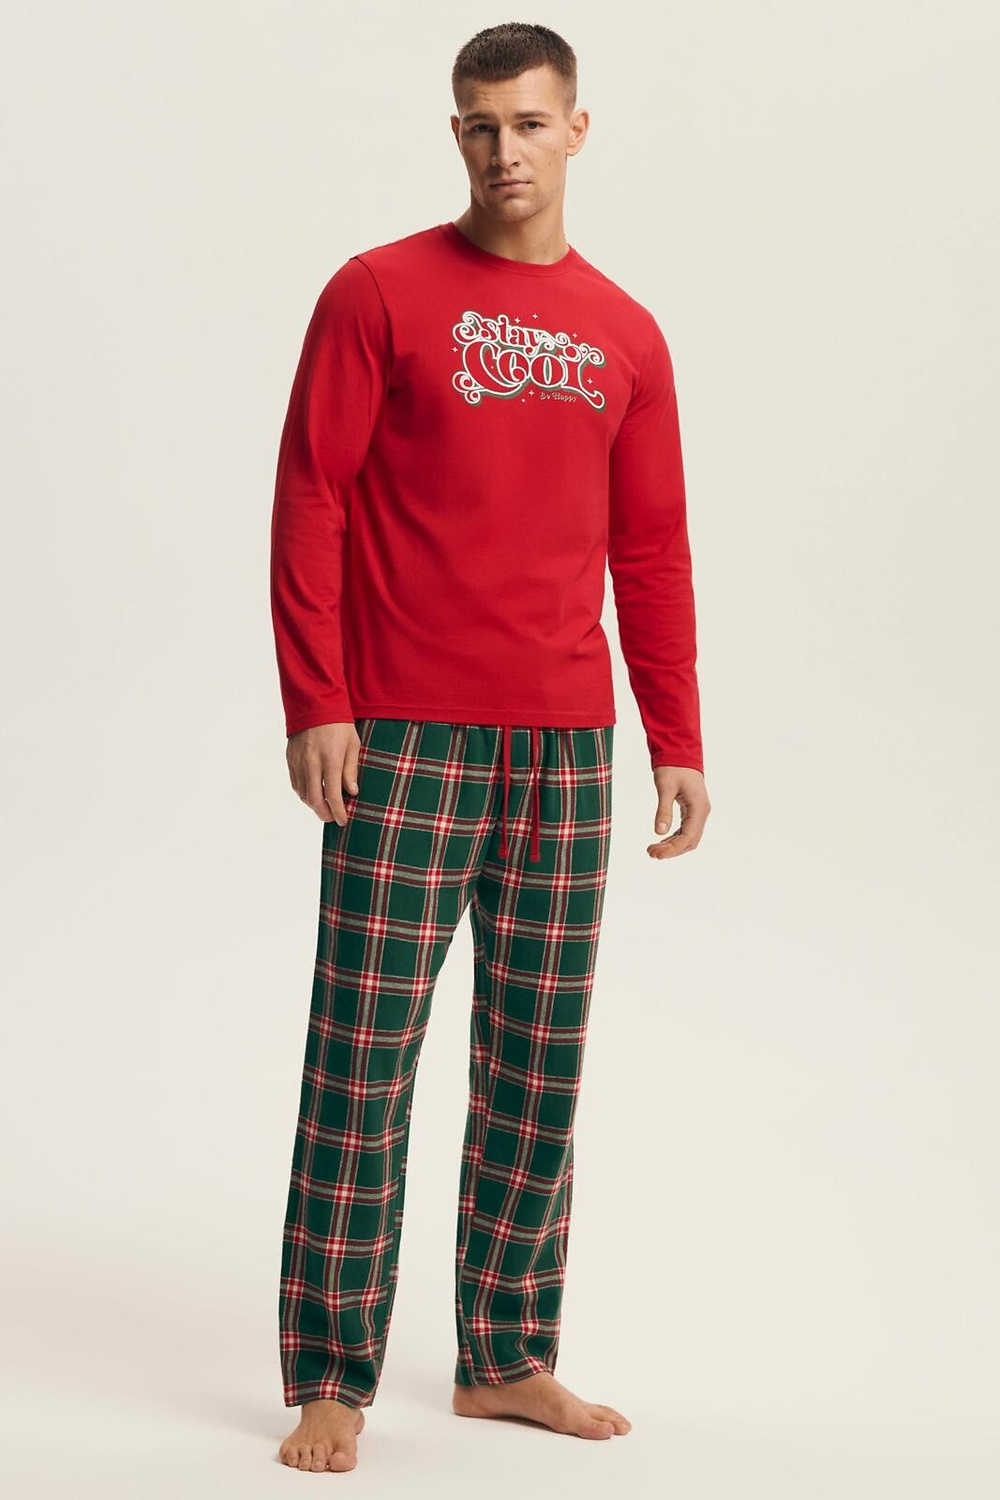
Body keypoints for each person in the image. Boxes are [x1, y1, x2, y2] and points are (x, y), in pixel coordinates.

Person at [269, 20, 711, 1474]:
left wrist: (674, 732)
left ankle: (507, 1358)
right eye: (479, 123)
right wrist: (318, 698)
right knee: (363, 1059)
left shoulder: (628, 333)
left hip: (564, 747)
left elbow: (651, 547)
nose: (503, 149)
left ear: (578, 129)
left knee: (536, 1064)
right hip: (401, 734)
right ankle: (332, 1372)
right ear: (454, 133)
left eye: (528, 122)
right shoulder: (377, 293)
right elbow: (313, 494)